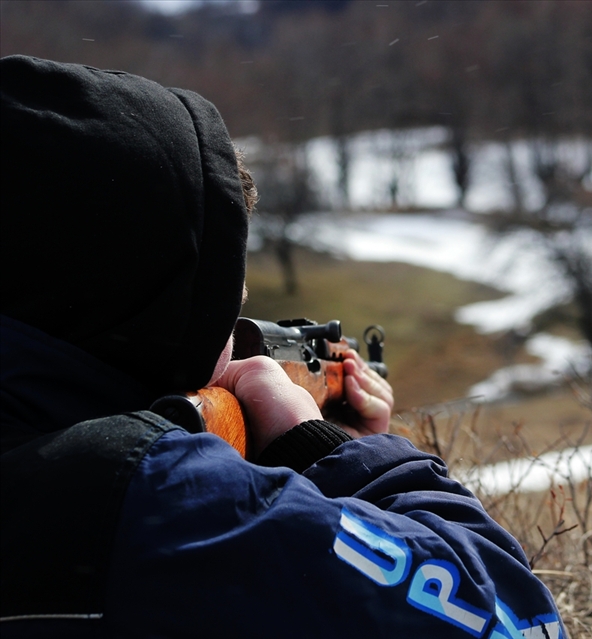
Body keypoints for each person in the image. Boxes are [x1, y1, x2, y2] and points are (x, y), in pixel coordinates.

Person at [0, 55, 563, 638]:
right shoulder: (153, 497)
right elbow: (517, 620)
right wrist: (328, 452)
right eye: (225, 314)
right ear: (150, 313)